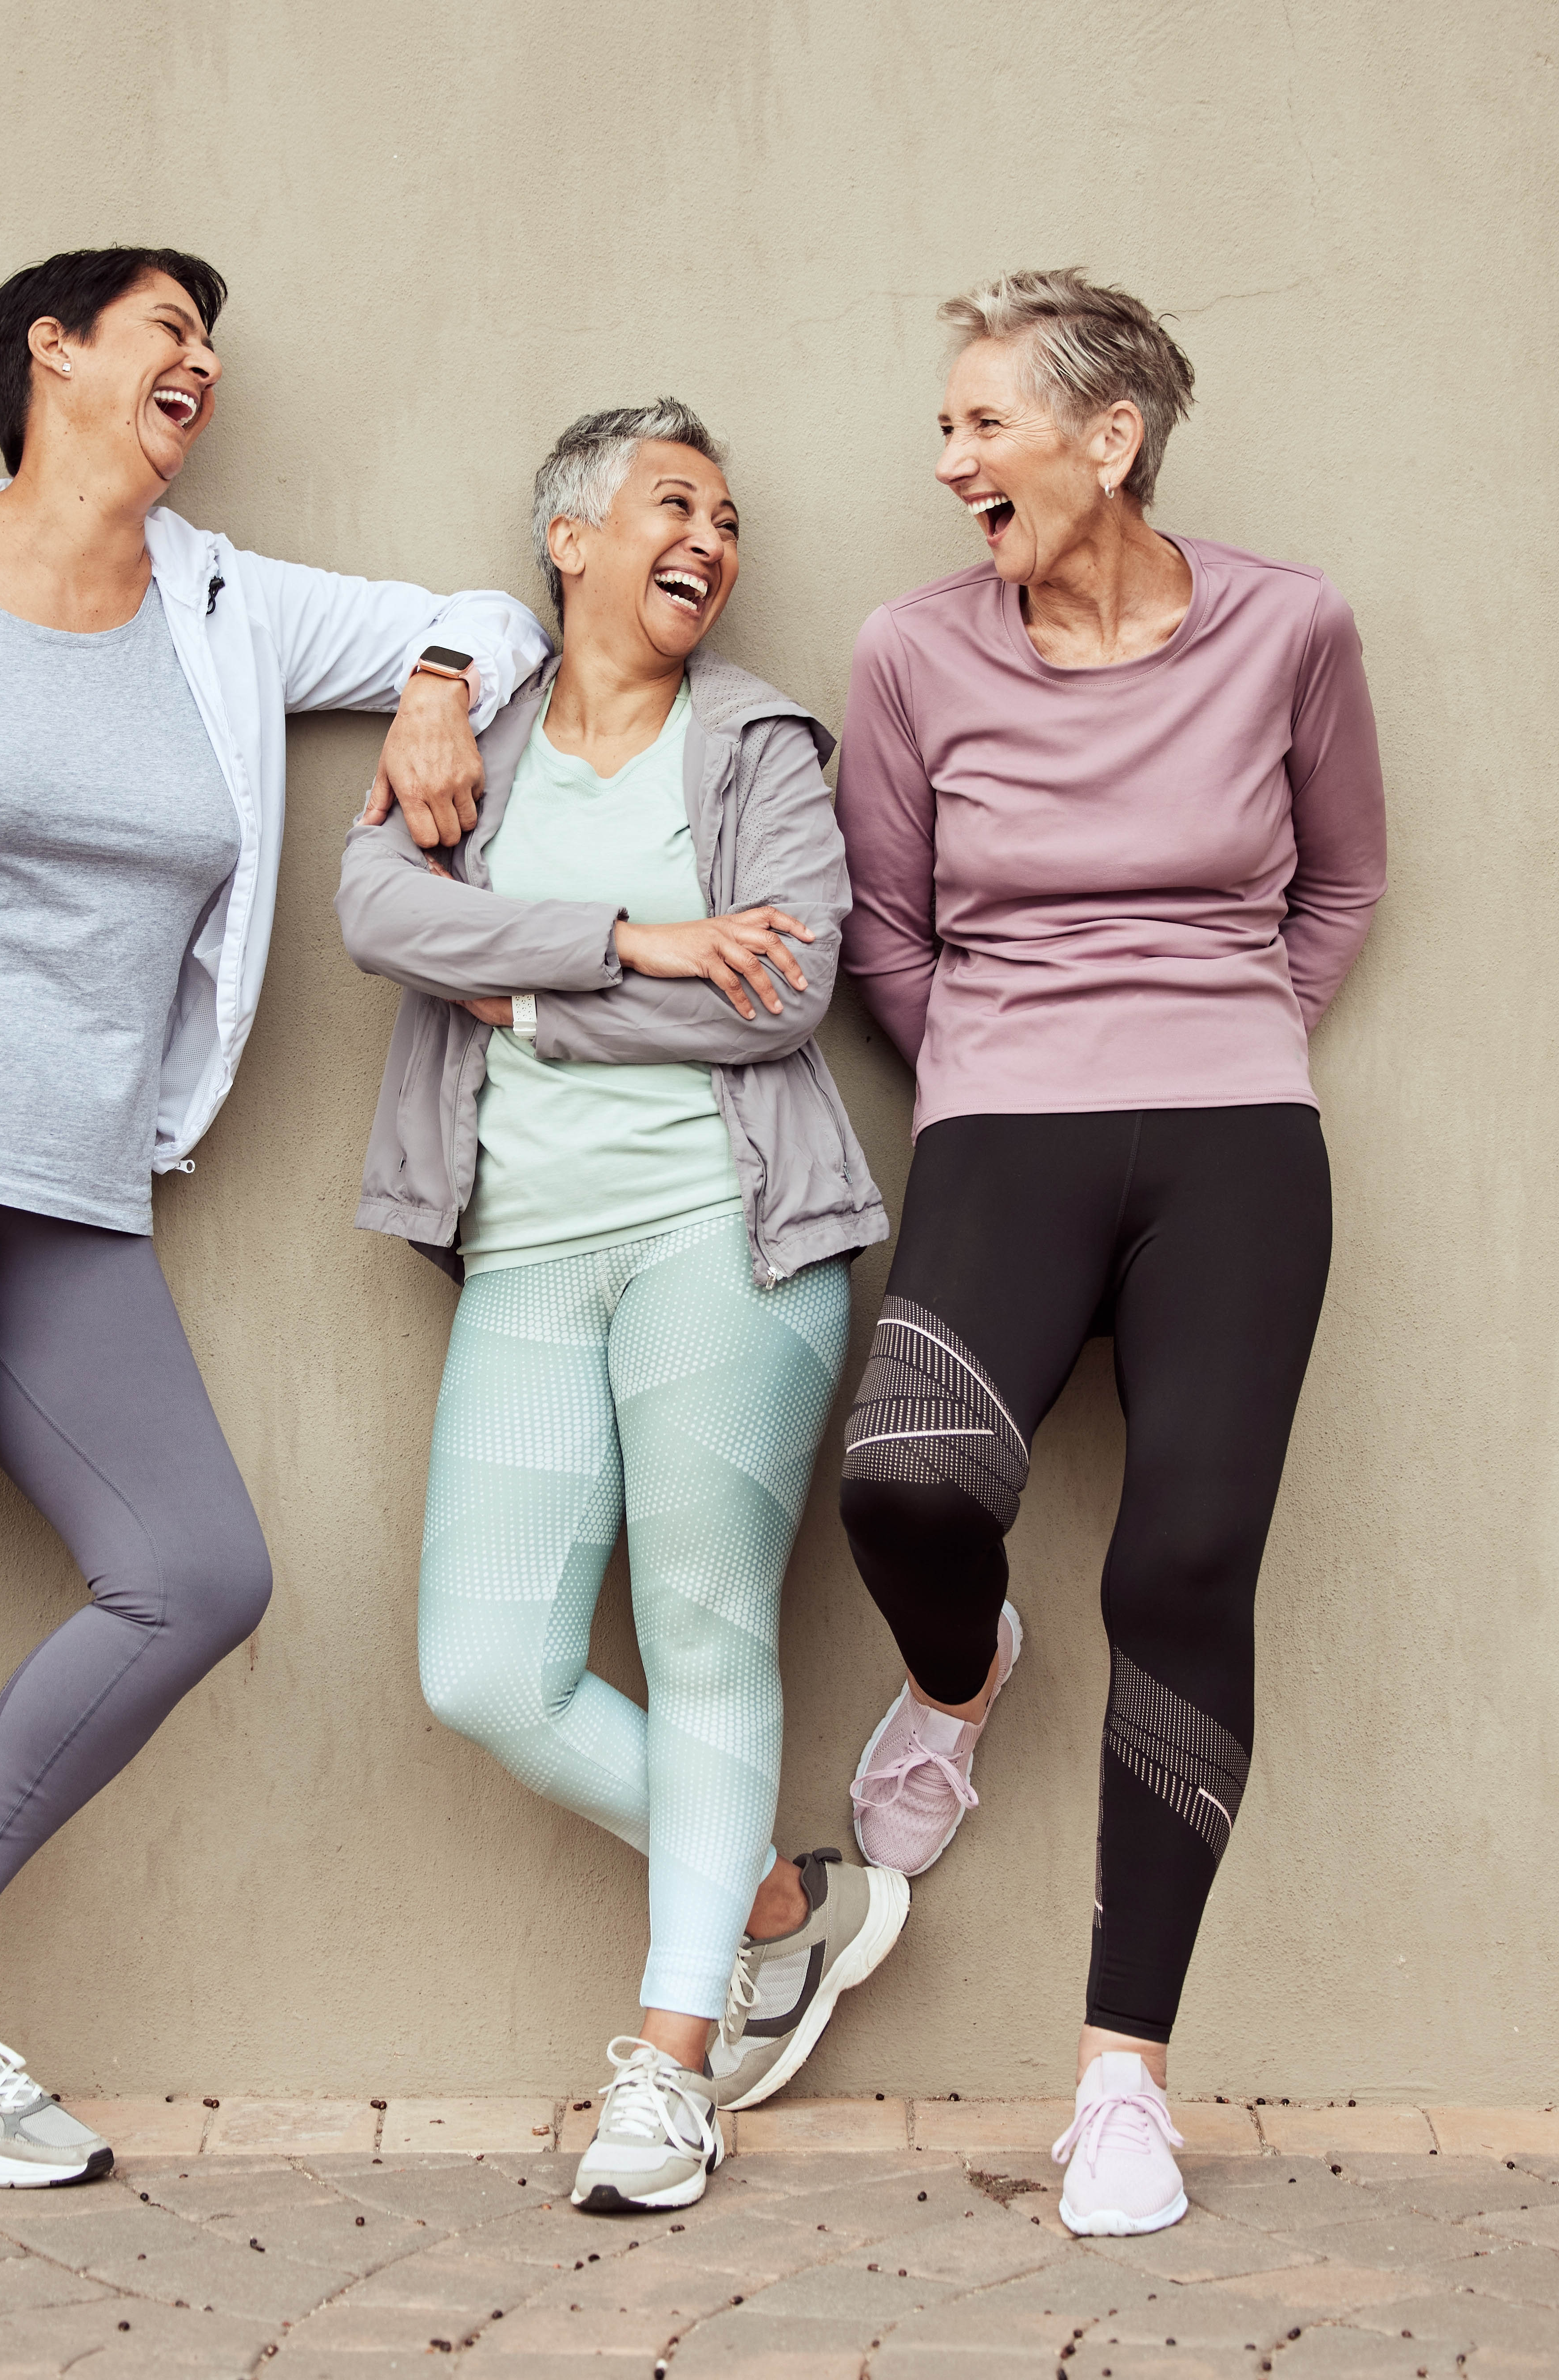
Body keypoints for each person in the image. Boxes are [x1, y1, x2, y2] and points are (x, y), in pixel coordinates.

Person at [0, 247, 550, 2190]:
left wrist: (441, 691)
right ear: (48, 354)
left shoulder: (222, 601)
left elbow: (478, 611)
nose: (200, 363)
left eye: (209, 345)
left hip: (74, 1184)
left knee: (198, 1569)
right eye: (166, 329)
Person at [831, 270, 1385, 2237]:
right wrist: (994, 1065)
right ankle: (963, 1667)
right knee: (903, 1480)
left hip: (1237, 1135)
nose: (947, 457)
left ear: (1106, 439)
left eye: (980, 421)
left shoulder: (1288, 625)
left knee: (1180, 1559)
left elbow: (1341, 882)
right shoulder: (910, 652)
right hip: (1001, 1118)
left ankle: (1123, 2077)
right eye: (949, 421)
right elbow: (883, 928)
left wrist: (1229, 1038)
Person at [337, 401, 903, 2215]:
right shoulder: (471, 740)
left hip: (725, 1229)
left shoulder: (758, 739)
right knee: (486, 1664)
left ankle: (670, 2064)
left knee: (700, 1617)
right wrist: (635, 938)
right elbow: (368, 905)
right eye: (675, 503)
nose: (710, 540)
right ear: (569, 537)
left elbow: (783, 990)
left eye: (728, 519)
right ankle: (774, 1909)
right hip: (521, 1240)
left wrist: (525, 992)